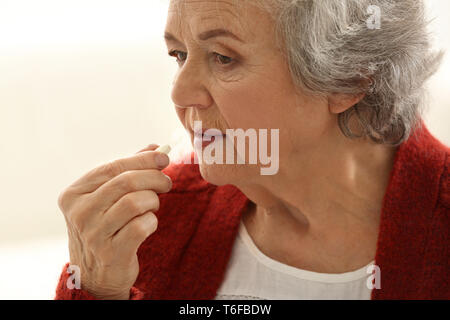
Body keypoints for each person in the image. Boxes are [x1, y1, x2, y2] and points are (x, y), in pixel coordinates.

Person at [55, 0, 449, 300]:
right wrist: (96, 288)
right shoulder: (152, 226)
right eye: (179, 55)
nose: (179, 92)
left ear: (347, 79)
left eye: (223, 58)